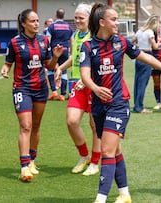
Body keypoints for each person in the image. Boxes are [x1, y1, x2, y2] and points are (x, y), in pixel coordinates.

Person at [79, 3, 161, 203]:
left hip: (119, 103)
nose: (118, 23)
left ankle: (100, 198)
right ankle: (124, 193)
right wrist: (95, 88)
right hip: (99, 106)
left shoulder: (121, 42)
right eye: (114, 19)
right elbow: (84, 75)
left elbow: (144, 56)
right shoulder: (88, 46)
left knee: (107, 150)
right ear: (102, 22)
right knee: (115, 150)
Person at [0, 9, 63, 182]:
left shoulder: (44, 41)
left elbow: (49, 66)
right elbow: (8, 64)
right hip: (22, 88)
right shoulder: (14, 42)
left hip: (41, 88)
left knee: (35, 125)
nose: (36, 24)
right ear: (23, 24)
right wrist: (4, 70)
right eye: (33, 21)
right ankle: (24, 167)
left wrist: (56, 57)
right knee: (25, 126)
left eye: (37, 21)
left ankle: (32, 161)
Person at [55, 3, 101, 176]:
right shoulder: (75, 35)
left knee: (95, 125)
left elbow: (97, 62)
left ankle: (95, 162)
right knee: (71, 121)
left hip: (93, 84)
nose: (77, 21)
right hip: (77, 84)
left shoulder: (95, 35)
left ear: (90, 18)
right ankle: (84, 156)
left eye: (81, 18)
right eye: (75, 17)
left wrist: (86, 79)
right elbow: (75, 58)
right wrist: (61, 68)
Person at [132, 15, 161, 113]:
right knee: (143, 83)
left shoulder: (139, 31)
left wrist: (138, 46)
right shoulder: (149, 32)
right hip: (147, 56)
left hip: (138, 55)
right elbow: (155, 47)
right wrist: (159, 41)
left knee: (137, 82)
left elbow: (133, 41)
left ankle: (136, 104)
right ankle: (139, 107)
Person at [45, 8, 73, 101]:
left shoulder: (52, 26)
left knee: (50, 70)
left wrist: (47, 52)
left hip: (55, 50)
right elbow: (72, 41)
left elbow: (48, 40)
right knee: (63, 71)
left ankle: (54, 91)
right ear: (63, 16)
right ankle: (62, 95)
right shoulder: (69, 27)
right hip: (65, 50)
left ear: (56, 15)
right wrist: (71, 52)